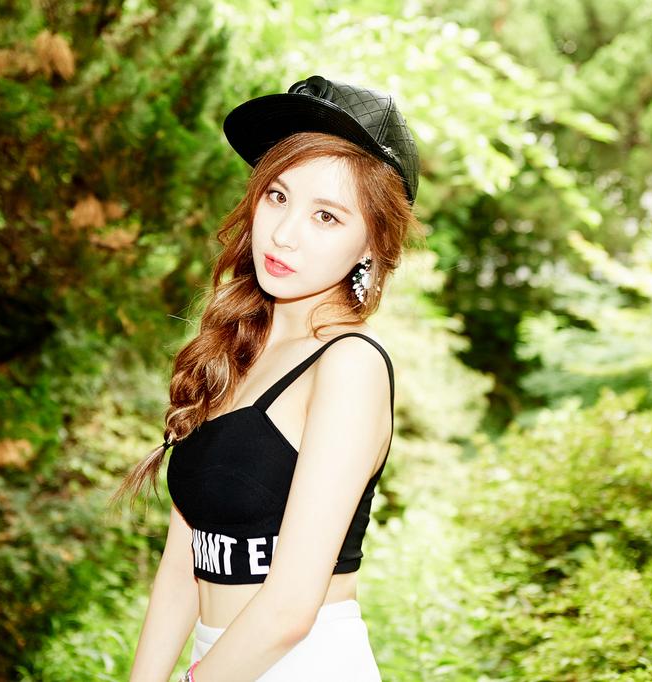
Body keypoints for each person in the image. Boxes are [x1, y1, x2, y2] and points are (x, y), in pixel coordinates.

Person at [113, 73, 423, 681]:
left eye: (326, 216)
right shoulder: (235, 349)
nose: (283, 233)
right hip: (217, 663)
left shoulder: (348, 365)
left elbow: (289, 609)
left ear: (371, 244)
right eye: (277, 196)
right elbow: (183, 562)